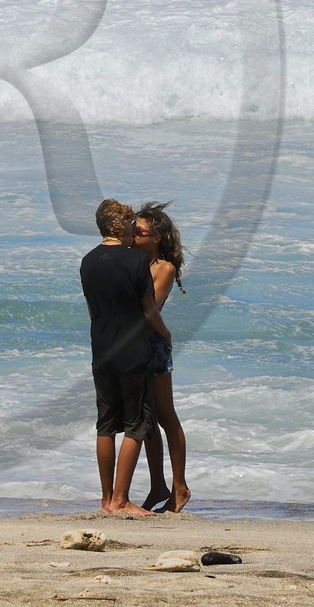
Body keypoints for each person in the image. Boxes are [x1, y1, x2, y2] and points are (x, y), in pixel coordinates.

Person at [81, 198, 173, 515]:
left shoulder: (88, 261)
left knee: (105, 425)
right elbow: (148, 310)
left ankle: (106, 500)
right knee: (137, 423)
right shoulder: (135, 261)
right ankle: (121, 500)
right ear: (118, 225)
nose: (134, 228)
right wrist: (166, 335)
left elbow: (92, 309)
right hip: (132, 350)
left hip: (101, 348)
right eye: (131, 223)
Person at [127, 201, 191, 513]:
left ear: (156, 238)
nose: (132, 235)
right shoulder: (131, 263)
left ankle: (180, 488)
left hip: (152, 346)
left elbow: (149, 307)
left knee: (166, 416)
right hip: (131, 347)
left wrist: (166, 335)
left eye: (138, 232)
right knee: (148, 421)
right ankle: (157, 487)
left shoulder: (163, 267)